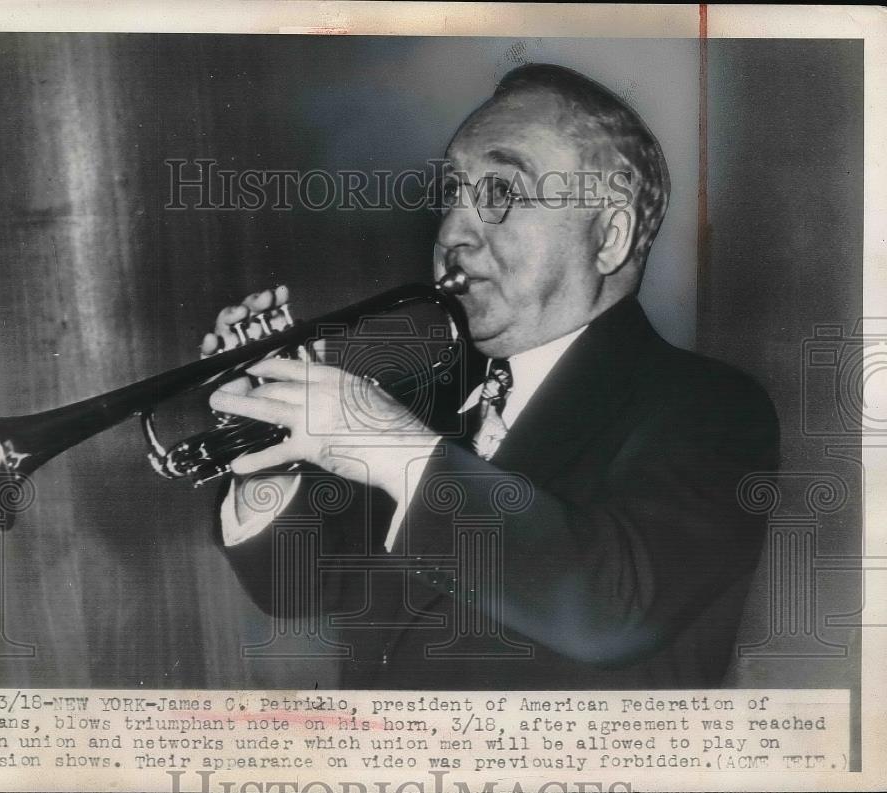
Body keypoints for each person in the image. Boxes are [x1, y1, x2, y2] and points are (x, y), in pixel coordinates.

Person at [201, 63, 779, 689]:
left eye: (502, 193)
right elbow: (300, 585)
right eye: (452, 193)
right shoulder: (426, 400)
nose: (451, 232)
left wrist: (391, 447)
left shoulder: (710, 407)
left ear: (610, 237)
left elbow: (612, 613)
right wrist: (271, 453)